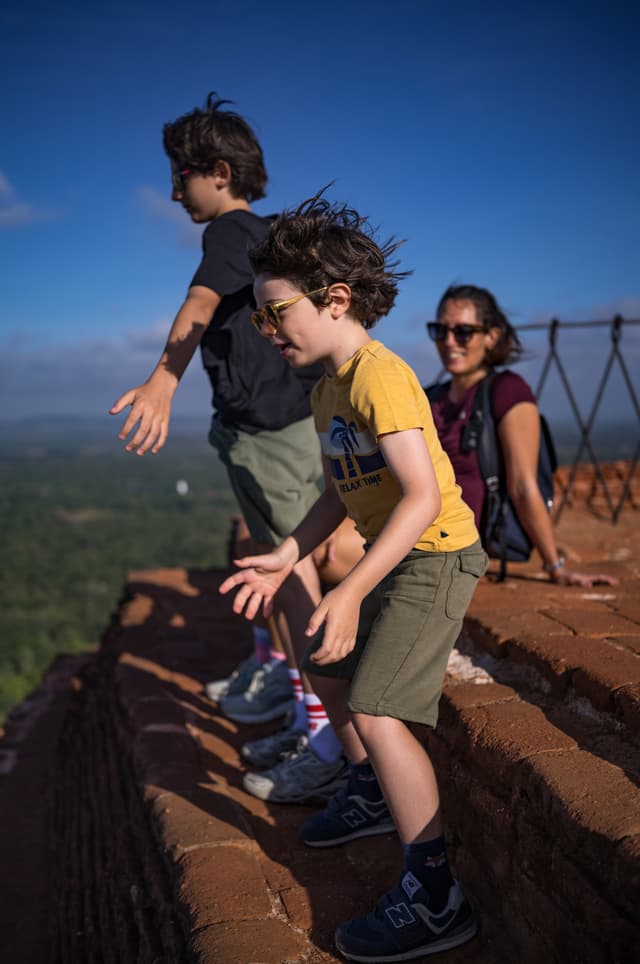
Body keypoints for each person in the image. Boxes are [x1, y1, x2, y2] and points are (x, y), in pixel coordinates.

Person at [220, 196, 487, 962]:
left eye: (277, 313)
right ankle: (370, 793)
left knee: (374, 709)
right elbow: (341, 489)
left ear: (335, 301)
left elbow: (422, 497)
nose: (267, 332)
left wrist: (349, 589)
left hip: (434, 554)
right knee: (324, 659)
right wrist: (290, 554)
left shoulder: (380, 377)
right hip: (394, 553)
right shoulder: (326, 388)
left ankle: (435, 894)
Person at [109, 93, 350, 801]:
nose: (173, 192)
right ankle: (310, 717)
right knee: (282, 565)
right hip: (284, 425)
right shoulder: (264, 234)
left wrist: (161, 381)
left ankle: (328, 741)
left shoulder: (228, 232)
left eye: (180, 176)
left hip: (269, 436)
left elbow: (197, 308)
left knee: (295, 577)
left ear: (216, 171)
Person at [427, 285, 618, 587]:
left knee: (327, 553)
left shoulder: (507, 391)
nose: (449, 341)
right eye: (440, 330)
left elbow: (523, 485)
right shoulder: (430, 398)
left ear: (491, 336)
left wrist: (555, 566)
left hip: (458, 542)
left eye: (463, 331)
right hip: (417, 531)